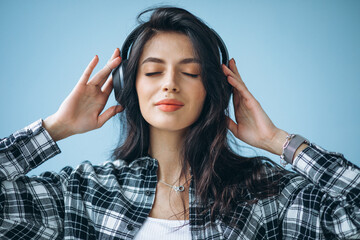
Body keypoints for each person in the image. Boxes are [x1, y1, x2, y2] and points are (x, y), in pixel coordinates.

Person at [0, 6, 359, 240]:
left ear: (212, 90)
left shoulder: (264, 194)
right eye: (153, 71)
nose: (170, 82)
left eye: (190, 72)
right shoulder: (84, 191)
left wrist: (279, 141)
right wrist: (55, 128)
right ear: (131, 88)